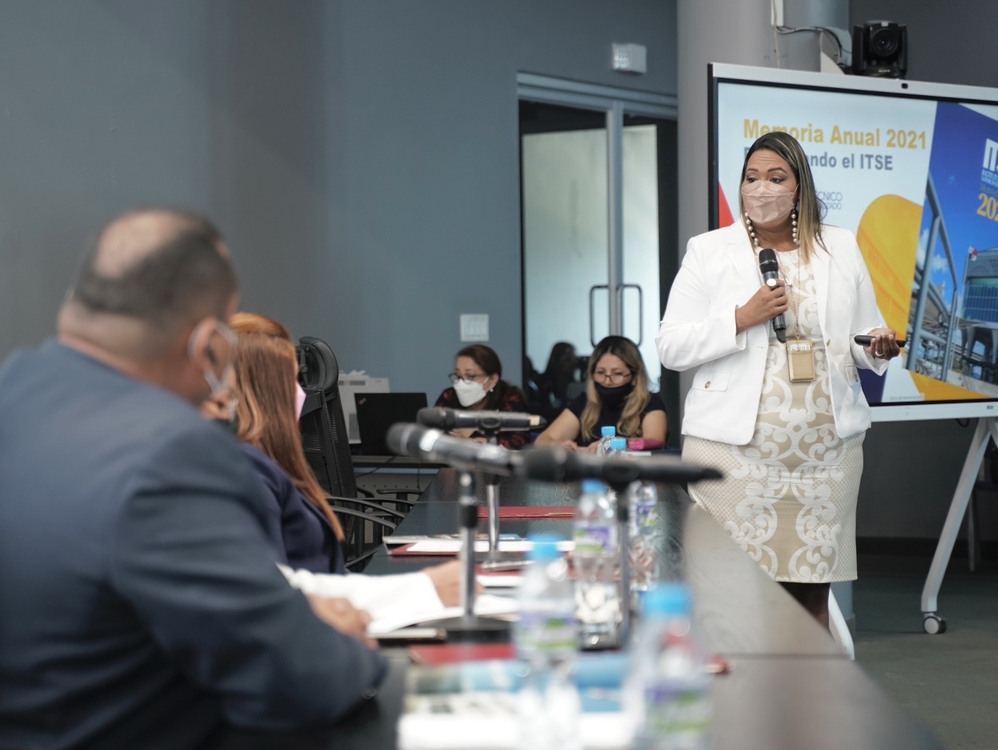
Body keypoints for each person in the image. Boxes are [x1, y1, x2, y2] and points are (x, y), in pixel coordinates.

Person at [0, 209, 386, 749]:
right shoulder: (173, 452)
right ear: (209, 346)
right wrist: (328, 635)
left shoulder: (14, 395)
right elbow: (308, 679)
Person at [657, 131, 900, 628]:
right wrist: (740, 317)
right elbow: (671, 347)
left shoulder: (839, 245)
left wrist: (876, 344)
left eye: (775, 178)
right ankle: (734, 702)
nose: (761, 188)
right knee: (728, 594)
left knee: (810, 596)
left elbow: (861, 330)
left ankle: (804, 703)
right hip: (733, 453)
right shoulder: (708, 250)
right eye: (751, 178)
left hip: (824, 454)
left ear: (799, 186)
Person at [227, 311, 463, 618]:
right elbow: (274, 595)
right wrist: (419, 589)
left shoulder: (262, 465)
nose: (301, 392)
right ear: (264, 390)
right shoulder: (248, 473)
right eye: (291, 379)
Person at [534, 335, 667, 451]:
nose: (607, 381)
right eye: (601, 373)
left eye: (617, 374)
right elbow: (542, 440)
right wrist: (558, 445)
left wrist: (615, 444)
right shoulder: (584, 402)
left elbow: (655, 441)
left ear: (634, 377)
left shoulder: (650, 403)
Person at [434, 343, 531, 449]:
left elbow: (519, 441)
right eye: (458, 376)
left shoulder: (510, 398)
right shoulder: (449, 396)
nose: (461, 383)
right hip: (452, 463)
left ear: (492, 379)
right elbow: (431, 434)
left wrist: (471, 442)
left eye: (470, 376)